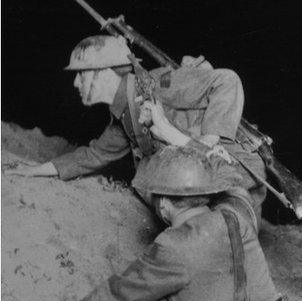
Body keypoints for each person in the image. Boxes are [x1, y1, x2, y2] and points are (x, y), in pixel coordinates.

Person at [47, 146, 302, 301]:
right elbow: (238, 192)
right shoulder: (236, 218)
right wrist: (216, 161)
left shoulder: (173, 247)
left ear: (165, 203)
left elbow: (118, 295)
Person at [5, 35, 266, 218]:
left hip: (238, 178)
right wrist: (34, 171)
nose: (75, 83)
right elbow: (92, 156)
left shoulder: (155, 85)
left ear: (104, 72)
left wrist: (210, 142)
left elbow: (226, 80)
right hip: (210, 190)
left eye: (81, 74)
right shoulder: (123, 115)